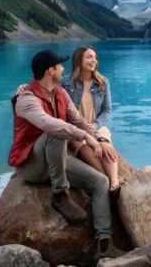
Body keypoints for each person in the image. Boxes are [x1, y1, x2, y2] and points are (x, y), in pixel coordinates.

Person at [8, 49, 124, 258]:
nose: (63, 67)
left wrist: (97, 137)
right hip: (32, 166)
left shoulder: (60, 94)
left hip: (57, 161)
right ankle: (60, 194)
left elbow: (79, 120)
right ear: (51, 70)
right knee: (56, 131)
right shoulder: (26, 99)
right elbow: (49, 124)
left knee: (101, 182)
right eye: (60, 65)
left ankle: (104, 244)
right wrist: (84, 137)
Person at [62, 45, 121, 192]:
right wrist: (25, 87)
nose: (94, 60)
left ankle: (114, 183)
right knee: (83, 146)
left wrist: (95, 126)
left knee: (105, 144)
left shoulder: (103, 82)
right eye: (89, 57)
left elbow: (107, 109)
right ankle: (105, 180)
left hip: (97, 125)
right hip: (76, 128)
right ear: (78, 60)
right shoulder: (65, 82)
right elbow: (46, 89)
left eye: (95, 57)